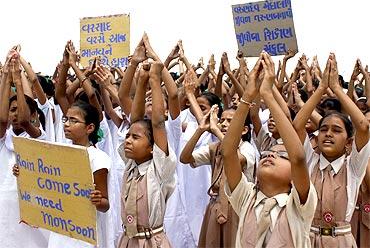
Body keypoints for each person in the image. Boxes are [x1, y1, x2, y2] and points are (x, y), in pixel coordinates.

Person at [223, 52, 317, 247]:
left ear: (294, 176)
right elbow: (228, 152)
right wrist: (248, 96)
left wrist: (268, 94)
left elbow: (299, 157)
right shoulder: (246, 197)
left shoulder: (299, 204)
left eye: (282, 156)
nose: (271, 155)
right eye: (267, 153)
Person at [292, 53, 370, 247]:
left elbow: (363, 126)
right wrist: (320, 89)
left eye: (336, 131)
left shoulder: (353, 167)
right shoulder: (310, 160)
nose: (328, 134)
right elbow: (298, 124)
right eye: (323, 129)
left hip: (341, 240)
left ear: (348, 142)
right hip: (307, 238)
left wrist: (336, 88)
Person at [15, 100, 112, 248]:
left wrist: (98, 200)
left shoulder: (98, 159)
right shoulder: (60, 154)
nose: (66, 124)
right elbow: (46, 181)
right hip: (61, 229)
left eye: (74, 121)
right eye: (66, 119)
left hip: (84, 233)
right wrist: (24, 172)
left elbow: (105, 205)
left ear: (90, 127)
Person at [117, 61, 177, 247]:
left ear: (152, 147)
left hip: (151, 242)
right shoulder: (131, 164)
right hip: (128, 240)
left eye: (135, 138)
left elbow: (158, 123)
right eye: (127, 136)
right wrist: (141, 81)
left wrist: (154, 80)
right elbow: (135, 119)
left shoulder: (159, 167)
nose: (128, 140)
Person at [180, 105, 256, 247]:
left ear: (244, 130)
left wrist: (215, 129)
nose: (224, 125)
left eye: (230, 121)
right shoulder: (215, 147)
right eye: (222, 120)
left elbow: (233, 157)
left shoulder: (247, 148)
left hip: (238, 207)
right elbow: (185, 158)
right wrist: (200, 130)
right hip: (215, 205)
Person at [0, 52, 49, 247]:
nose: (15, 115)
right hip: (6, 205)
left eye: (19, 109)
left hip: (32, 205)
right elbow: (2, 120)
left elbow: (23, 120)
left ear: (34, 114)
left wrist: (18, 80)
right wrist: (5, 76)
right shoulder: (5, 139)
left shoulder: (38, 136)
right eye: (12, 110)